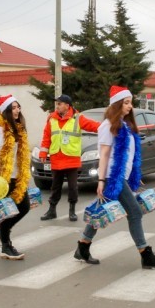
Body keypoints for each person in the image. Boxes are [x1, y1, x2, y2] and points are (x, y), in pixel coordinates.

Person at [76, 85, 155, 269]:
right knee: (134, 212)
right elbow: (103, 155)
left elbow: (130, 155)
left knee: (100, 211)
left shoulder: (126, 126)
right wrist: (101, 181)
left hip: (121, 177)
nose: (130, 106)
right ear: (117, 104)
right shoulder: (107, 126)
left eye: (130, 102)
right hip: (112, 177)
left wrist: (135, 175)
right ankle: (146, 255)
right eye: (126, 103)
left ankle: (83, 246)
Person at [38, 94, 100, 222]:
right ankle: (52, 210)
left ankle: (72, 211)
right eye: (57, 104)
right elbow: (46, 136)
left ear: (67, 106)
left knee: (72, 187)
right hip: (56, 158)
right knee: (55, 187)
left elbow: (93, 126)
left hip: (71, 158)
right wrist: (43, 153)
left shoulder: (77, 118)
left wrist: (108, 127)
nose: (57, 106)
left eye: (59, 104)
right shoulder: (52, 118)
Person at [0, 94, 31, 260]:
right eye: (13, 108)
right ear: (6, 111)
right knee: (7, 212)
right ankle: (6, 246)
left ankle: (2, 234)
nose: (17, 110)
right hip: (5, 177)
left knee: (24, 207)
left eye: (18, 106)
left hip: (17, 175)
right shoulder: (1, 129)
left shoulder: (18, 126)